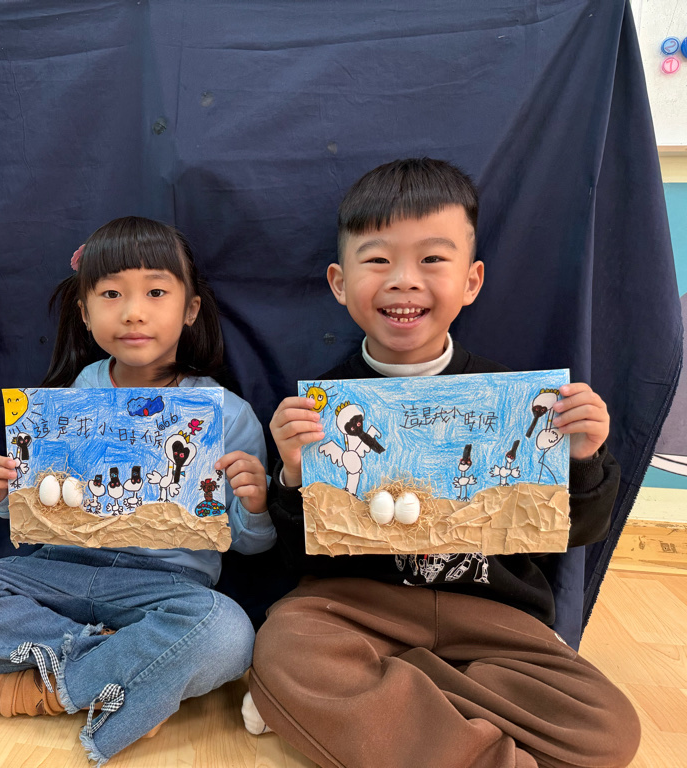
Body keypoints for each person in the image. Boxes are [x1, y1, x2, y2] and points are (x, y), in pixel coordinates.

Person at [244, 158, 641, 768]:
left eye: (432, 259)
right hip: (356, 611)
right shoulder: (320, 411)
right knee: (286, 648)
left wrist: (584, 456)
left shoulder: (522, 403)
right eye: (378, 260)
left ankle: (405, 693)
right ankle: (463, 726)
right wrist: (293, 477)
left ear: (472, 281)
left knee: (607, 727)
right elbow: (299, 558)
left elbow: (575, 533)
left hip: (493, 618)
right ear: (339, 283)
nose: (404, 281)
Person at [0, 216, 276, 765]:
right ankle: (123, 673)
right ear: (84, 310)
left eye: (155, 292)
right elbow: (41, 507)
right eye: (111, 294)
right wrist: (4, 493)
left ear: (190, 309)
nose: (133, 312)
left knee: (227, 634)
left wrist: (257, 505)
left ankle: (28, 694)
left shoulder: (228, 414)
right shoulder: (67, 398)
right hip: (57, 574)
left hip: (165, 590)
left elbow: (251, 544)